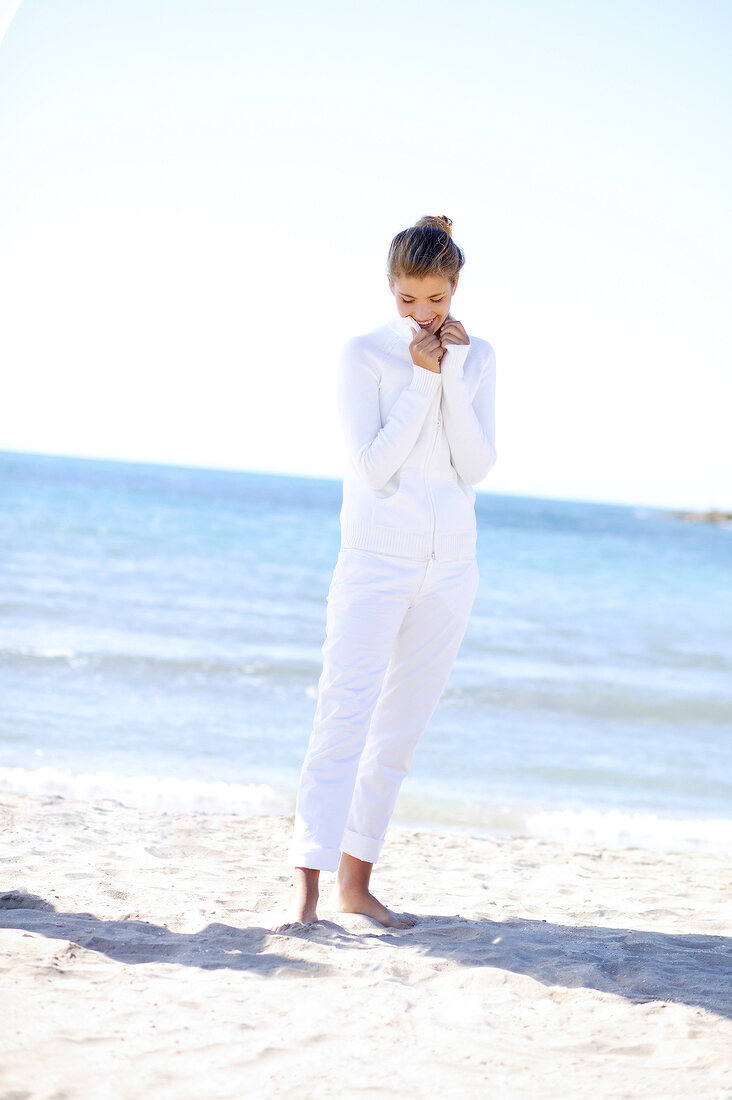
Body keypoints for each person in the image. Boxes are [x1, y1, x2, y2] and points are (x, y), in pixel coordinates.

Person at [279, 215, 497, 930]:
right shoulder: (364, 354)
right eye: (408, 300)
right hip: (375, 562)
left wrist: (453, 375)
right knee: (342, 714)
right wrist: (421, 380)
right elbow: (373, 466)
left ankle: (355, 884)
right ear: (392, 288)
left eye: (435, 299)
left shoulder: (479, 355)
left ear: (455, 287)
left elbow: (476, 465)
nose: (422, 314)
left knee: (398, 734)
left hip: (451, 568)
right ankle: (306, 886)